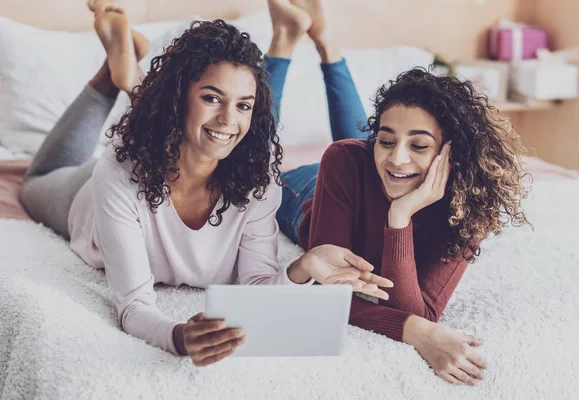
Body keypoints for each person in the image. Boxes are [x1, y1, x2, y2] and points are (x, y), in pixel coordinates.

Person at [19, 1, 393, 367]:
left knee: (185, 132)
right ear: (180, 97)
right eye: (212, 98)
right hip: (89, 201)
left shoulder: (257, 180)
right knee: (33, 184)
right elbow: (133, 305)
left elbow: (258, 287)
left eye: (244, 105)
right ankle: (112, 75)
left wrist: (303, 267)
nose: (229, 119)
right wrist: (178, 336)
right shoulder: (118, 172)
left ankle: (130, 78)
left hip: (160, 150)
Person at [267, 0, 530, 385]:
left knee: (378, 157)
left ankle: (324, 40)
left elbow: (416, 306)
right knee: (251, 163)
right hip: (303, 191)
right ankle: (284, 39)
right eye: (385, 139)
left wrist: (400, 216)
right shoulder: (346, 161)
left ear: (450, 154)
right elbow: (331, 296)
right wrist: (416, 331)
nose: (398, 157)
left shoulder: (469, 205)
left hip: (373, 175)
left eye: (420, 145)